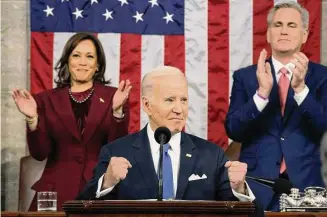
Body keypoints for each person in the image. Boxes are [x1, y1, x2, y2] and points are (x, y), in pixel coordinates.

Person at [77, 66, 262, 211]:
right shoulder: (116, 152)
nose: (179, 109)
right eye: (170, 100)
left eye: (184, 100)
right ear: (147, 105)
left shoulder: (212, 156)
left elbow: (250, 214)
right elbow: (81, 208)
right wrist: (107, 182)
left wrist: (240, 190)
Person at [225, 1, 327, 211]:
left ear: (305, 34)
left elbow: (324, 128)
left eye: (291, 25)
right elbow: (234, 130)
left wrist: (300, 90)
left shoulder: (322, 77)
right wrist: (261, 95)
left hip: (308, 189)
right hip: (257, 187)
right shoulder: (245, 77)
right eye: (277, 25)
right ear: (269, 34)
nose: (283, 30)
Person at [11, 33, 131, 210]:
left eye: (89, 56)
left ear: (97, 65)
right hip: (55, 194)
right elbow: (40, 153)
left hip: (98, 192)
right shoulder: (45, 100)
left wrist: (117, 112)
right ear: (68, 60)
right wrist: (32, 119)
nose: (82, 62)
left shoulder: (114, 97)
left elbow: (117, 149)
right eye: (76, 55)